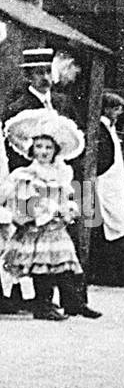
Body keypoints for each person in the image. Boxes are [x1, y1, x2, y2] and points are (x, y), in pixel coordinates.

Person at [0, 110, 101, 320]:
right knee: (42, 268)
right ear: (31, 150)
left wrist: (67, 209)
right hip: (37, 228)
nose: (44, 151)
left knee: (65, 264)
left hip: (56, 228)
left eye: (48, 147)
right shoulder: (26, 175)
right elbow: (24, 206)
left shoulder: (60, 174)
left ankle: (74, 303)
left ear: (55, 150)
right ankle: (43, 305)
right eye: (39, 147)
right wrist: (45, 211)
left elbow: (66, 197)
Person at [88, 92, 124, 288]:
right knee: (114, 226)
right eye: (115, 109)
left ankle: (114, 274)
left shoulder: (110, 128)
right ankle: (117, 275)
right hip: (104, 184)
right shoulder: (100, 128)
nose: (118, 113)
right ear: (106, 109)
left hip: (113, 186)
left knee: (119, 226)